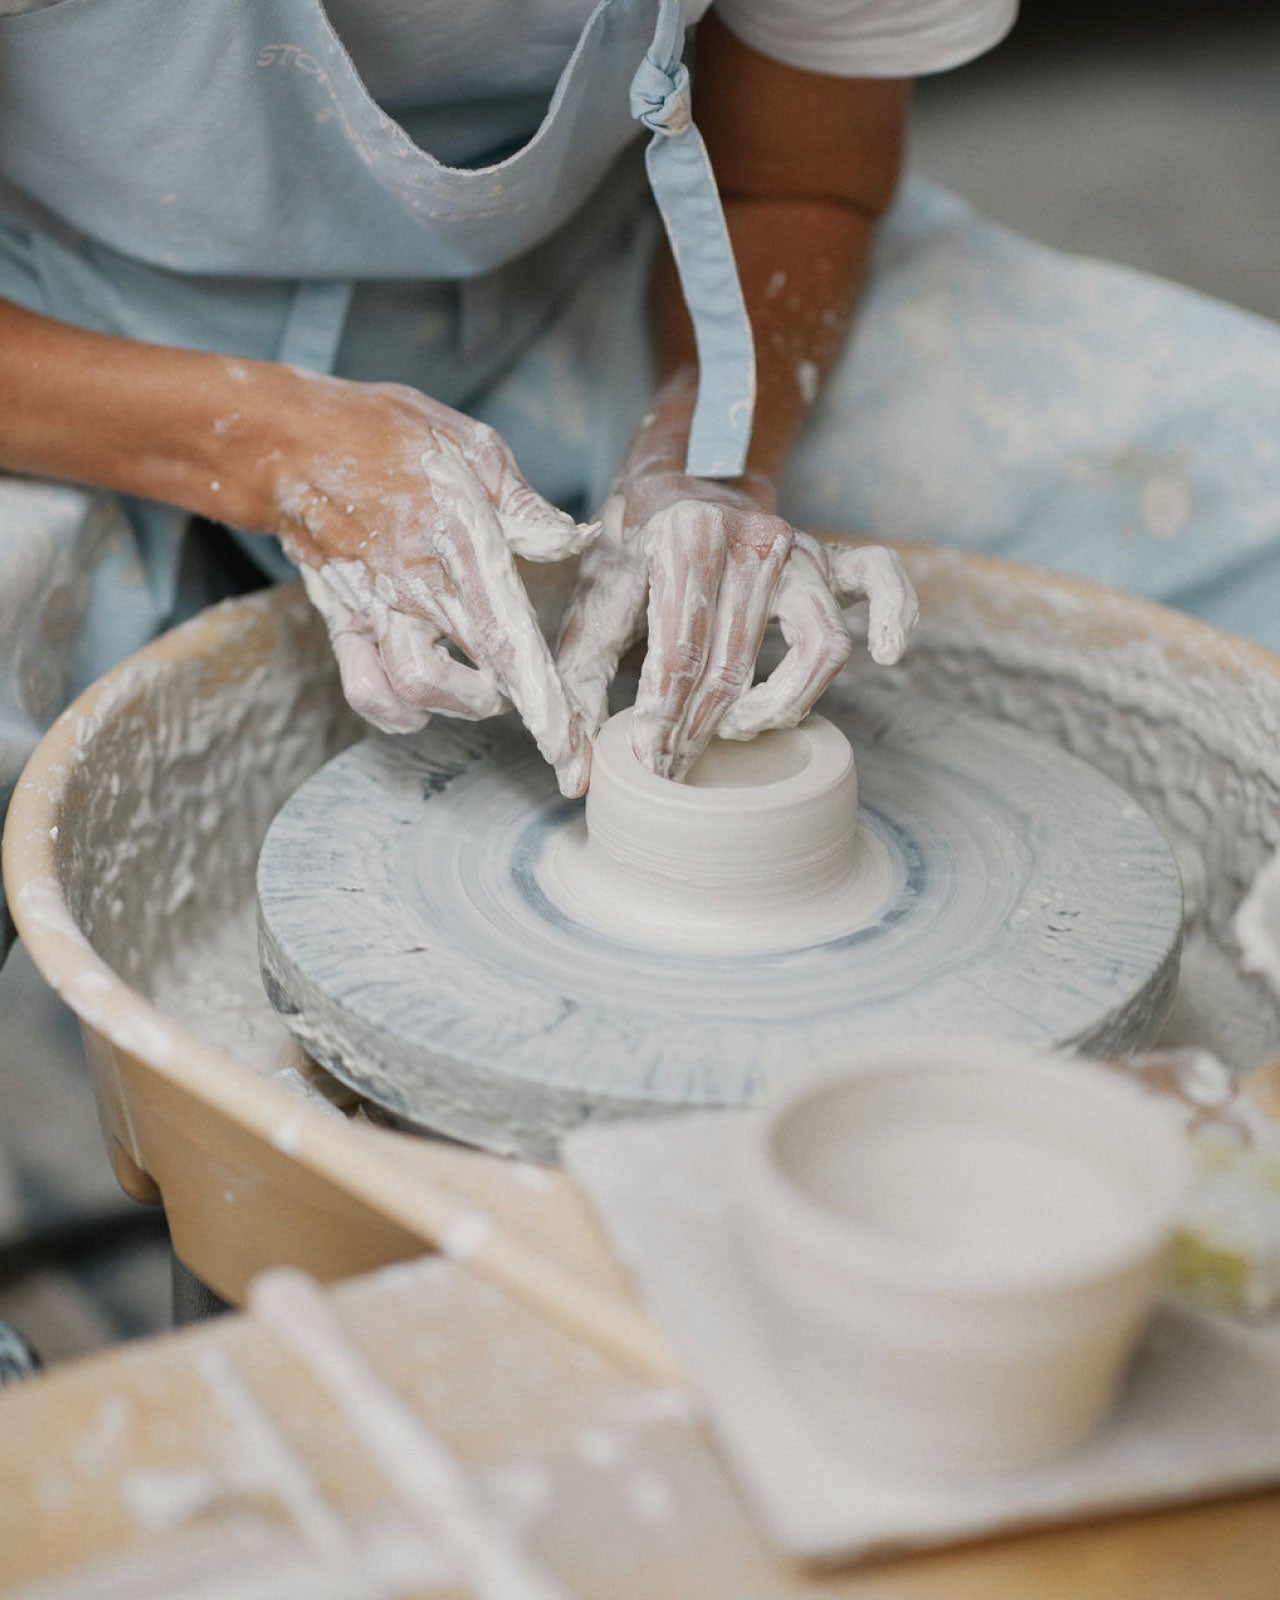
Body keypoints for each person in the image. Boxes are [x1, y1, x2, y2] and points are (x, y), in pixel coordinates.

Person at [2, 0, 1279, 853]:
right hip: (59, 331)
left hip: (590, 274)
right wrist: (269, 443)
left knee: (1243, 463)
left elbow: (795, 174)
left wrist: (710, 457)